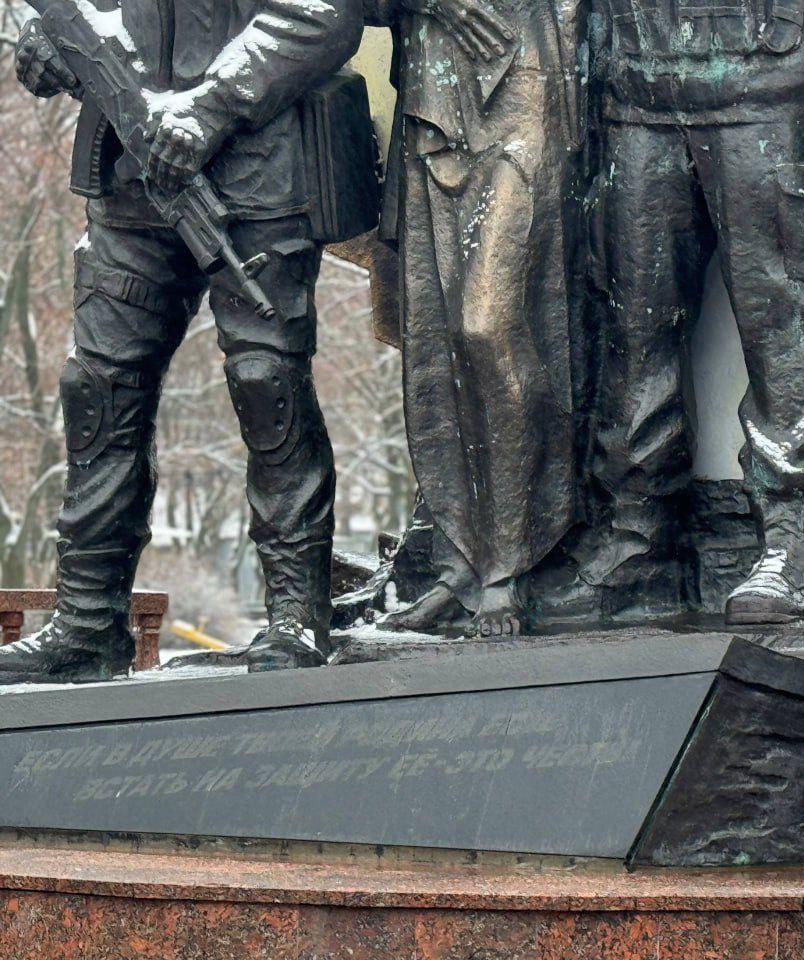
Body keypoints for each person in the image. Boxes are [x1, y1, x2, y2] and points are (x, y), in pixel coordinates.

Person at [5, 0, 365, 680]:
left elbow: (325, 12)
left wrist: (211, 106)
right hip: (128, 173)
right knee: (97, 391)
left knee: (268, 385)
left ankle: (296, 614)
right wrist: (46, 45)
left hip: (259, 175)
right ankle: (87, 622)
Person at [555, 0, 804, 624]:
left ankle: (792, 541)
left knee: (778, 324)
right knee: (631, 325)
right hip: (634, 90)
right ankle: (637, 536)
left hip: (764, 88)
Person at [362, 0, 579, 637]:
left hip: (526, 88)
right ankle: (457, 562)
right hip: (432, 87)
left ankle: (510, 561)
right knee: (433, 341)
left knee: (487, 327)